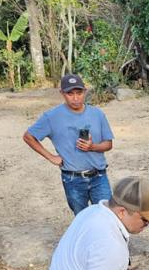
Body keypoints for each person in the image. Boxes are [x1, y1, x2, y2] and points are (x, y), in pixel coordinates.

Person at [23, 74, 114, 215]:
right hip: (73, 179)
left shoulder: (97, 114)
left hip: (99, 177)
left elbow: (108, 144)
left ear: (85, 91)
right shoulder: (51, 117)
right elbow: (29, 137)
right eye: (70, 94)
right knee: (82, 219)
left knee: (108, 216)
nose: (75, 98)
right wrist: (51, 157)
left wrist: (92, 147)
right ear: (62, 93)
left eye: (79, 93)